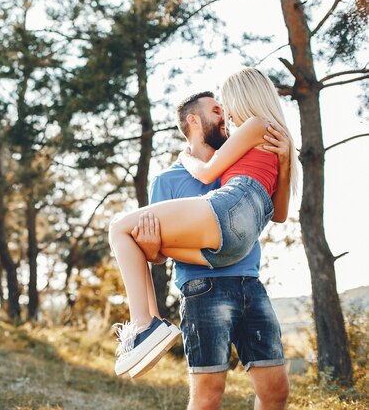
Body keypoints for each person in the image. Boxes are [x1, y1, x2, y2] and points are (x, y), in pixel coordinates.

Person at [108, 67, 298, 397]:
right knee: (129, 236)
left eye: (226, 106)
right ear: (194, 121)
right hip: (211, 268)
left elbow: (271, 210)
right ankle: (148, 326)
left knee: (117, 229)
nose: (226, 116)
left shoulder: (247, 145)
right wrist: (153, 247)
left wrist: (284, 161)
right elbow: (154, 255)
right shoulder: (169, 181)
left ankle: (144, 325)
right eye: (217, 110)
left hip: (244, 270)